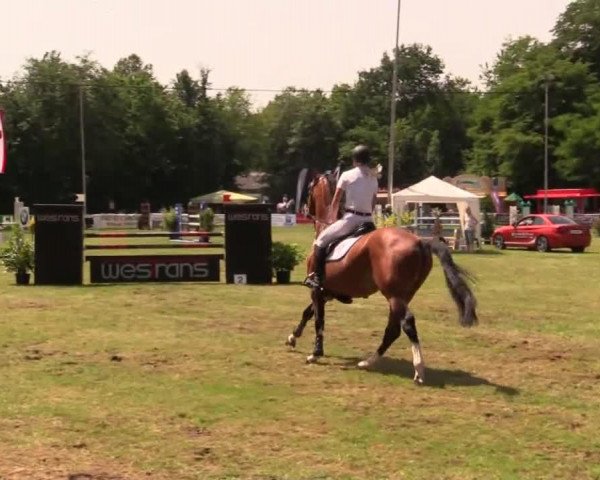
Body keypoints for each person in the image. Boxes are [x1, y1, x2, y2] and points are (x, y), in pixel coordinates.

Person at [304, 145, 379, 289]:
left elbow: (336, 200)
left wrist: (331, 219)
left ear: (354, 160)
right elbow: (373, 203)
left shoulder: (347, 175)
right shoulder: (374, 178)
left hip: (351, 219)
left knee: (320, 241)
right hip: (369, 221)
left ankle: (318, 278)